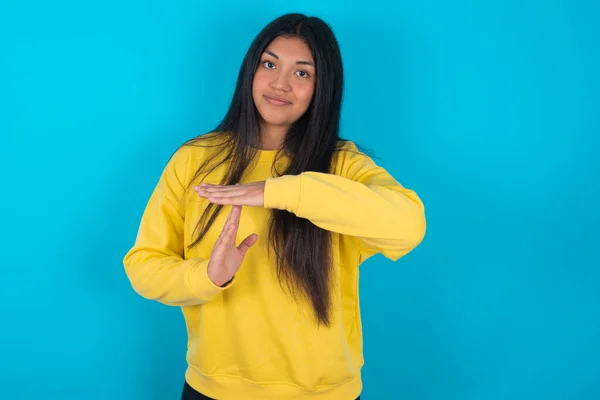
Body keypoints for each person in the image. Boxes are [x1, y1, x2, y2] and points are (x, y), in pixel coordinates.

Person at [123, 12, 426, 400]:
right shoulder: (195, 160)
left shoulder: (343, 166)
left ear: (323, 87)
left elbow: (409, 226)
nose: (280, 83)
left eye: (302, 73)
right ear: (251, 69)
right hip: (215, 389)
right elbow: (143, 264)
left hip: (323, 392)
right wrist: (208, 277)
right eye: (269, 64)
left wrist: (280, 192)